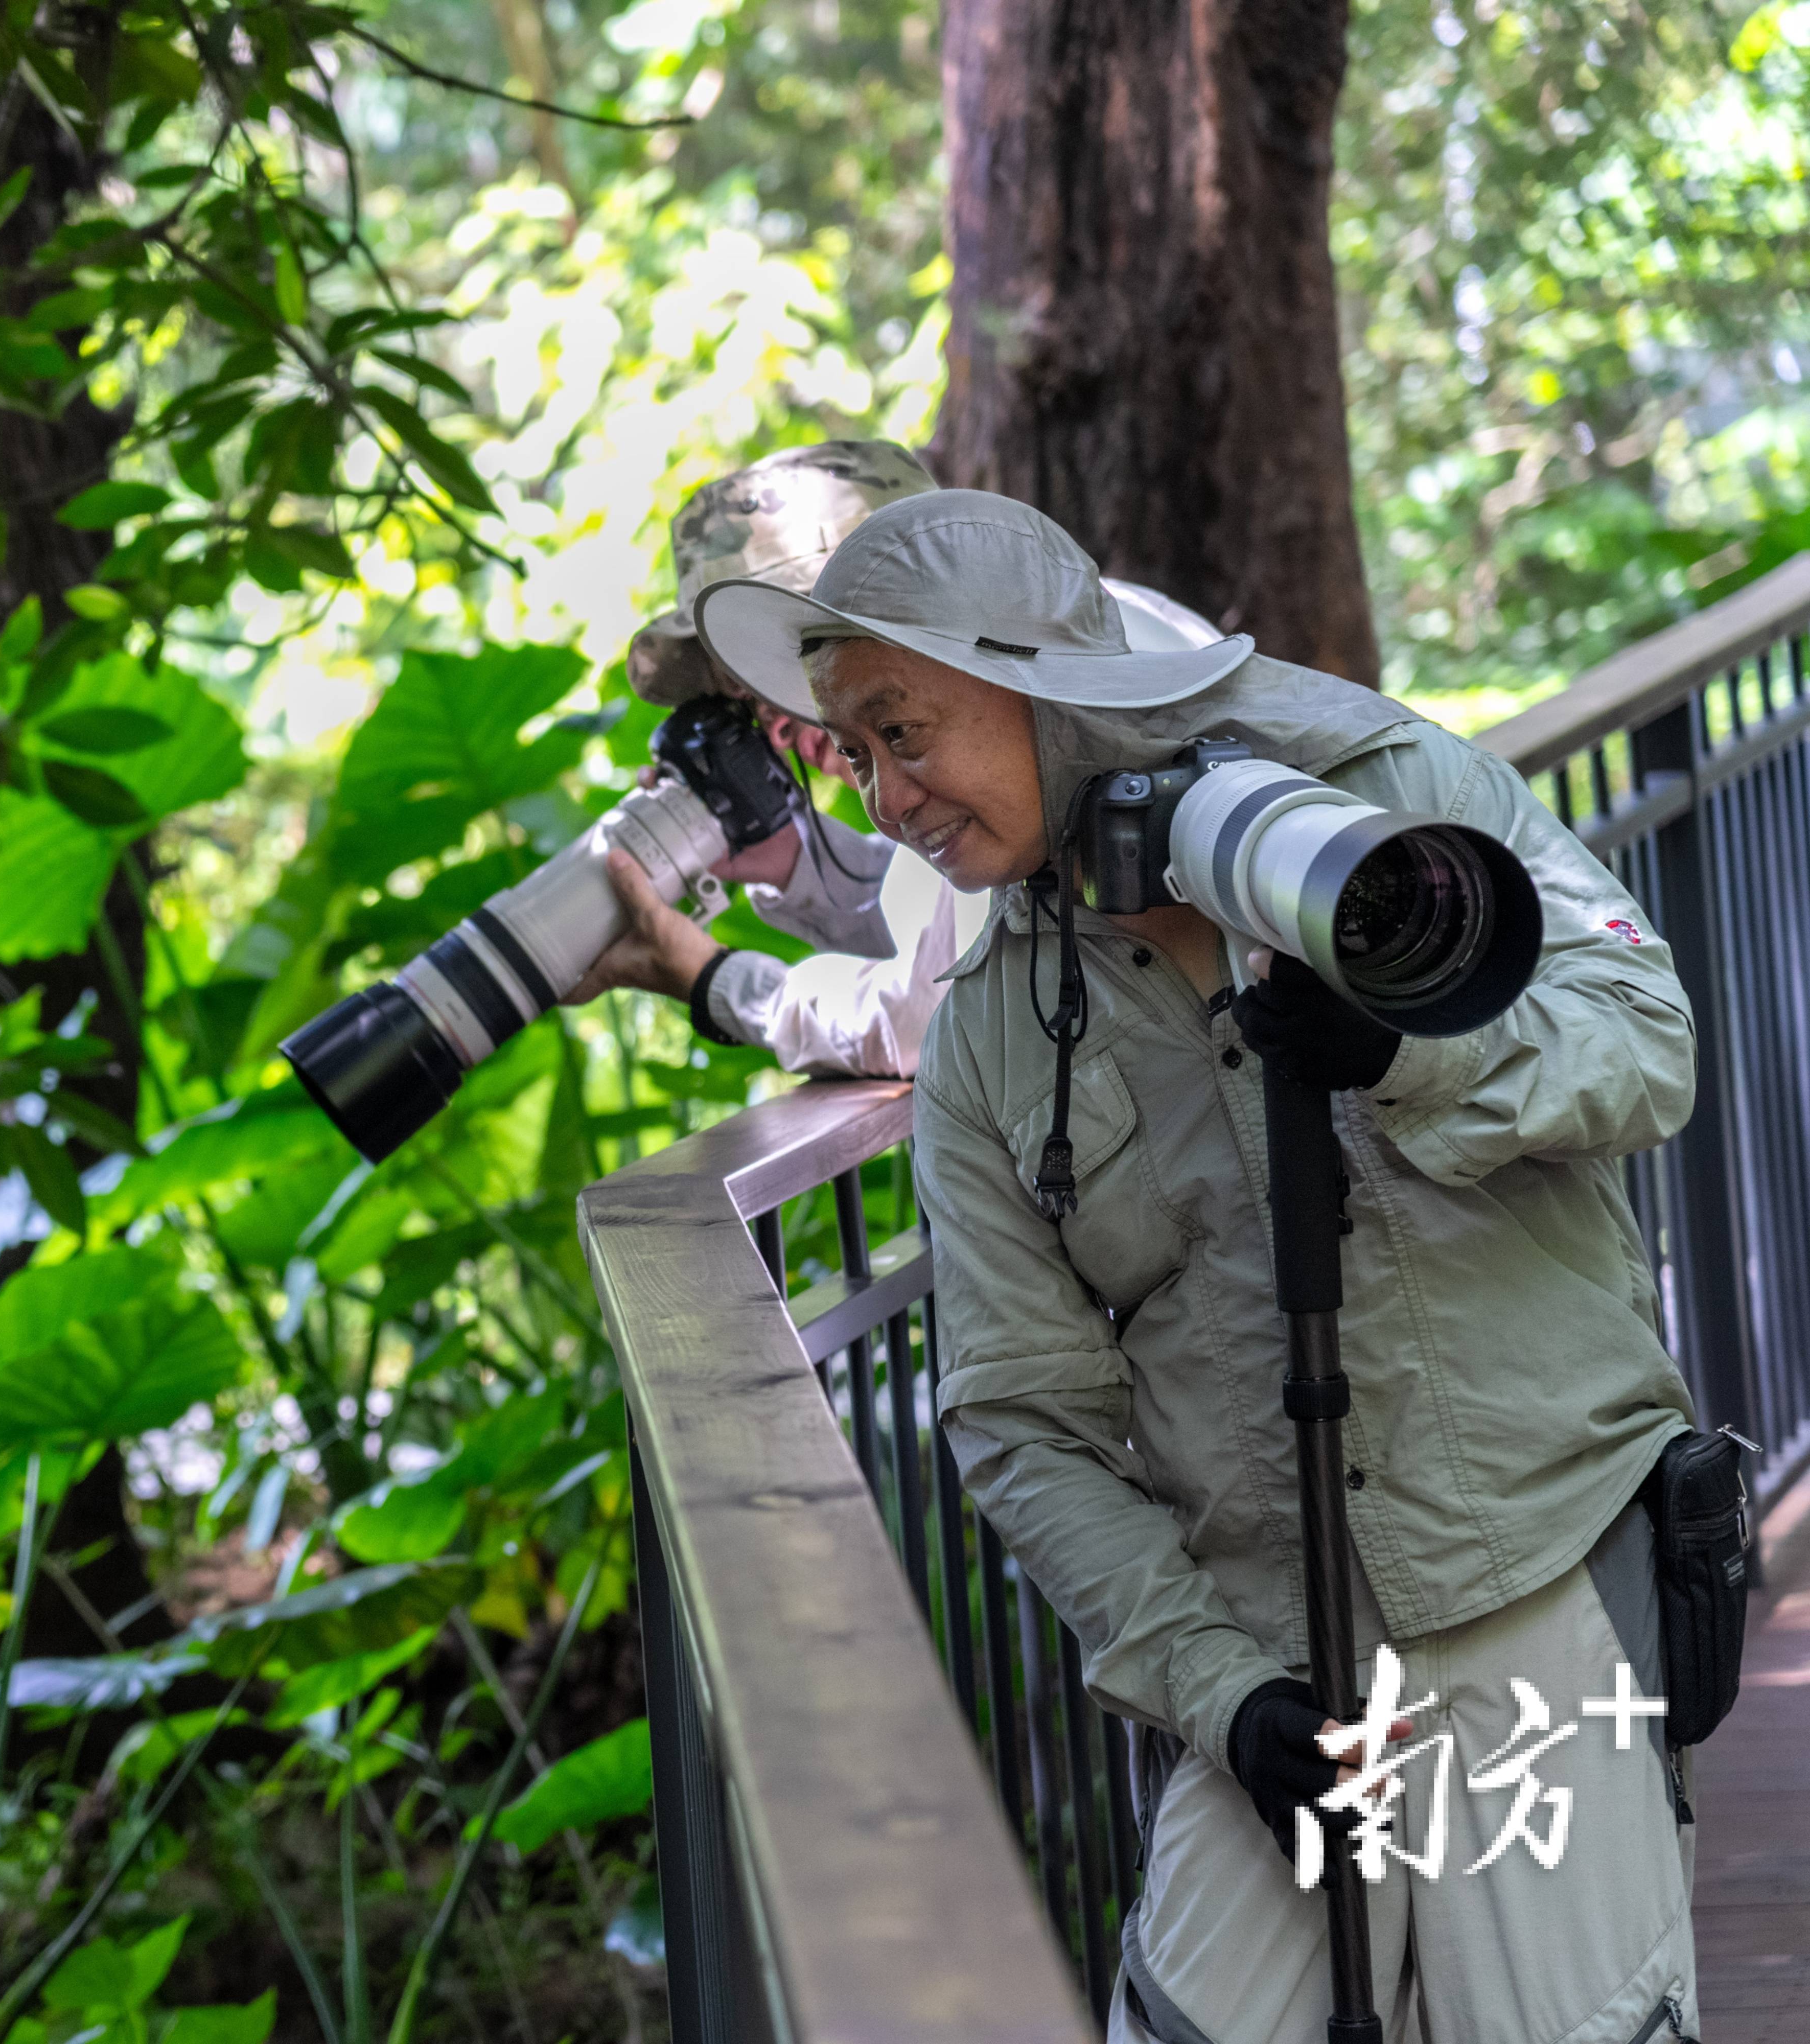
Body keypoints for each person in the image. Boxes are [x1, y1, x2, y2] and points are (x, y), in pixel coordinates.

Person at [692, 488, 1702, 2044]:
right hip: (1265, 1644)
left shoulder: (1376, 796)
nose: (884, 801)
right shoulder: (984, 1031)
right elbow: (1017, 1419)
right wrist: (1216, 1691)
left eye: (904, 734)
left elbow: (1644, 1048)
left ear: (1031, 680)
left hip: (1527, 1572)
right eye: (854, 753)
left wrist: (1409, 1049)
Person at [571, 443, 1223, 1079]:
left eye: (800, 669)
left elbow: (929, 1018)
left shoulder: (1033, 709)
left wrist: (719, 982)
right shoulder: (1078, 625)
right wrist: (794, 865)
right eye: (749, 696)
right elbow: (949, 918)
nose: (779, 724)